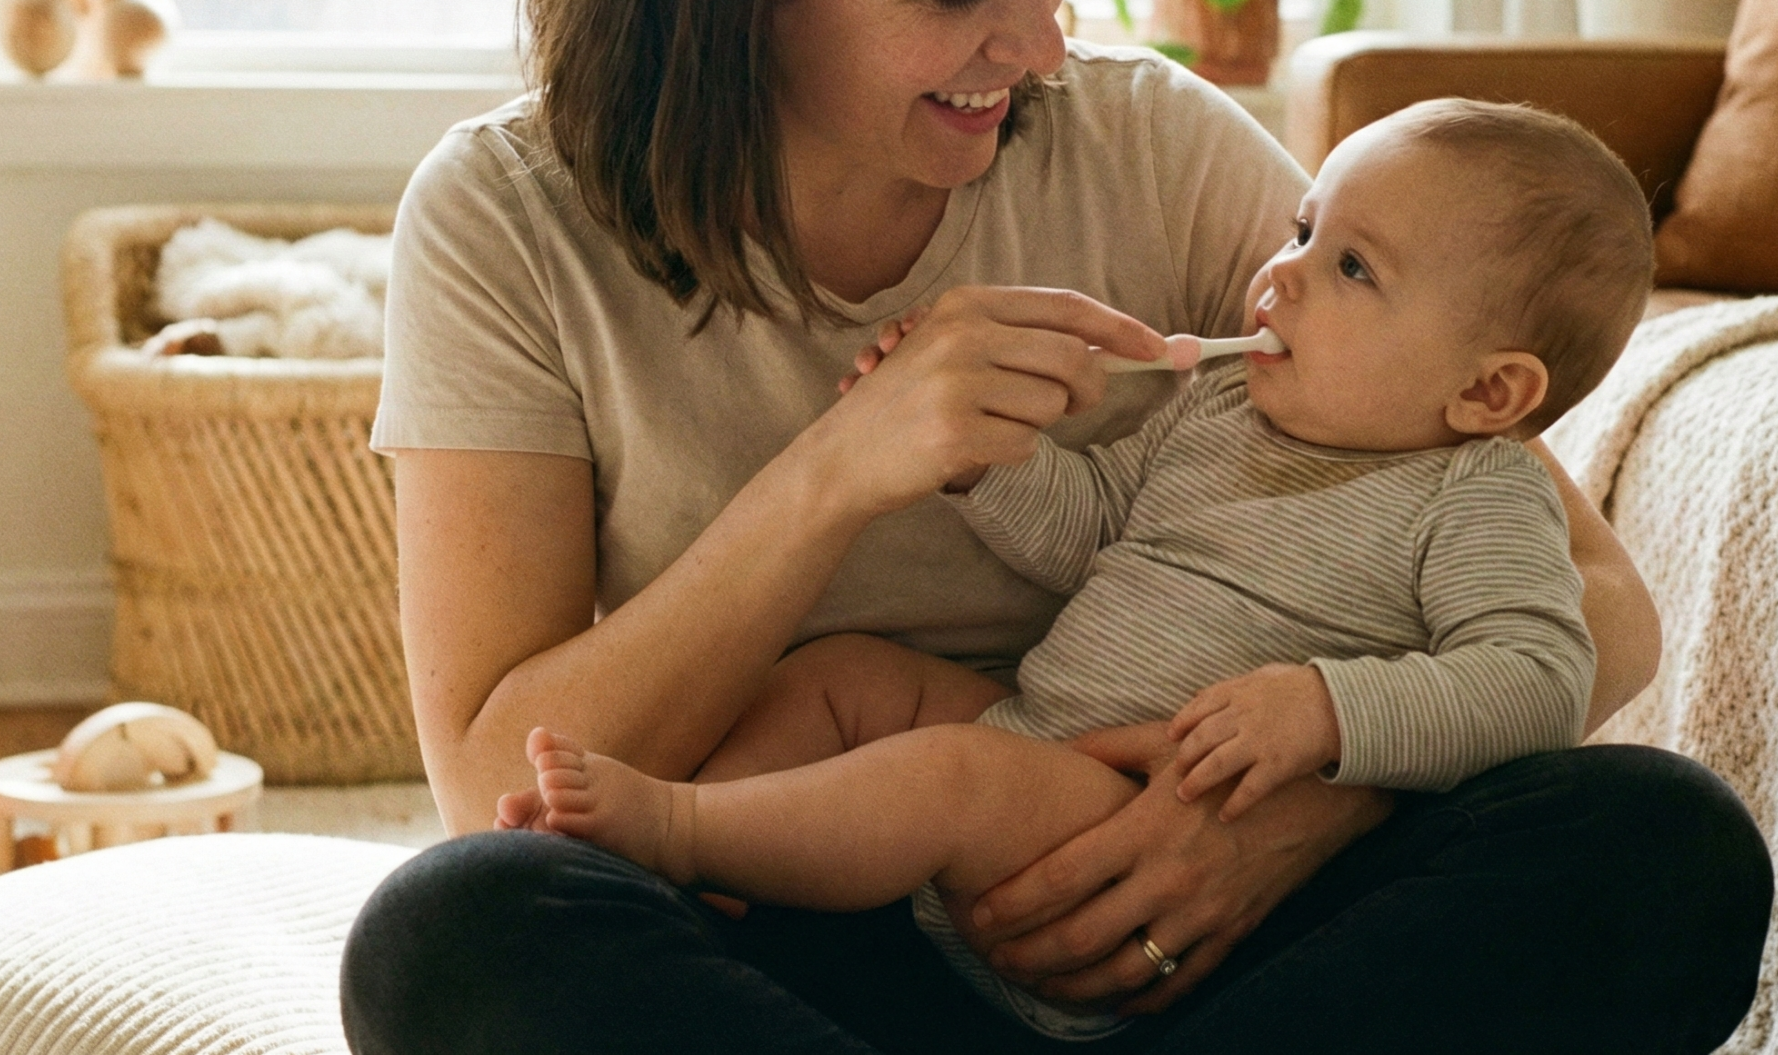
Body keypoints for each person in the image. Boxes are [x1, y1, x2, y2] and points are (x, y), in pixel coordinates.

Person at [338, 0, 1773, 1052]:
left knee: (1661, 844)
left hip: (1189, 906)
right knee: (455, 928)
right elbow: (491, 782)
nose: (1037, 40)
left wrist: (1284, 811)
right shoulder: (504, 220)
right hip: (797, 914)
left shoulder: (1150, 146)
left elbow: (1595, 606)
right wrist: (835, 469)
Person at [509, 99, 1644, 1041]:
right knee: (845, 677)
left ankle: (679, 832)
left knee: (1655, 836)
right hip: (1039, 733)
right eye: (1299, 231)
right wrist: (980, 459)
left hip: (1128, 819)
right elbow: (1091, 528)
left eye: (1349, 267)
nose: (1279, 277)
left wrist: (1328, 718)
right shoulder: (1217, 413)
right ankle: (700, 893)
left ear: (1488, 394)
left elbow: (1536, 675)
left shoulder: (1472, 494)